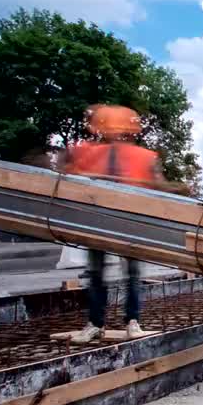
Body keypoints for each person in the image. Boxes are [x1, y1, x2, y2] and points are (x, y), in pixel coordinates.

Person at [64, 105, 164, 344]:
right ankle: (97, 324)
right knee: (99, 274)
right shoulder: (89, 154)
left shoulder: (143, 157)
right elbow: (70, 177)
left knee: (130, 273)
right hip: (98, 222)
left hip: (129, 221)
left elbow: (157, 186)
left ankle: (132, 321)